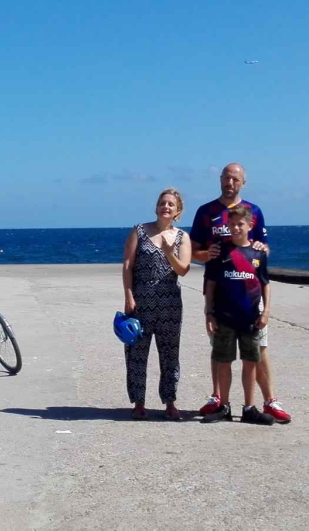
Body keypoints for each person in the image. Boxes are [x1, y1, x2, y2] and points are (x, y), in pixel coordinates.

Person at [188, 162, 292, 423]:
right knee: (219, 349)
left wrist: (259, 247)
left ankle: (269, 401)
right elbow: (192, 251)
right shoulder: (206, 211)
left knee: (259, 349)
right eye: (226, 178)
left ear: (243, 182)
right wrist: (206, 255)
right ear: (220, 180)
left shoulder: (254, 212)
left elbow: (263, 251)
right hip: (220, 290)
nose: (230, 183)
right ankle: (218, 399)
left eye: (235, 179)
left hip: (251, 296)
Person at [122, 188, 192, 419]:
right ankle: (138, 403)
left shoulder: (182, 237)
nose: (166, 207)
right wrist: (129, 296)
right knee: (137, 353)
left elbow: (183, 269)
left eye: (171, 204)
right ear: (156, 207)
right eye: (163, 203)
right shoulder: (139, 231)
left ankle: (170, 402)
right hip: (141, 302)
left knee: (170, 354)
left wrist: (169, 253)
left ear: (177, 211)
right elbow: (127, 266)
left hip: (170, 304)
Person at [202, 205, 276, 424]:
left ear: (249, 225)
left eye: (240, 224)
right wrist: (209, 313)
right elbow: (212, 283)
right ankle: (224, 406)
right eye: (231, 224)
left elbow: (266, 284)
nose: (235, 228)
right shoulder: (220, 251)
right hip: (224, 317)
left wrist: (266, 312)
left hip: (250, 318)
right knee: (223, 361)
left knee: (250, 362)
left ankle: (249, 408)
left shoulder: (258, 253)